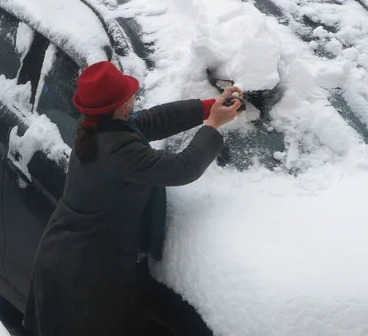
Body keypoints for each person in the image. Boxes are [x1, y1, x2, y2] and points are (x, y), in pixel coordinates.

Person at [24, 61, 242, 336]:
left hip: (72, 259)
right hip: (81, 278)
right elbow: (182, 168)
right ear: (121, 105)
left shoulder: (99, 126)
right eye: (129, 94)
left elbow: (154, 120)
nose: (133, 97)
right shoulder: (118, 151)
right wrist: (212, 126)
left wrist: (208, 107)